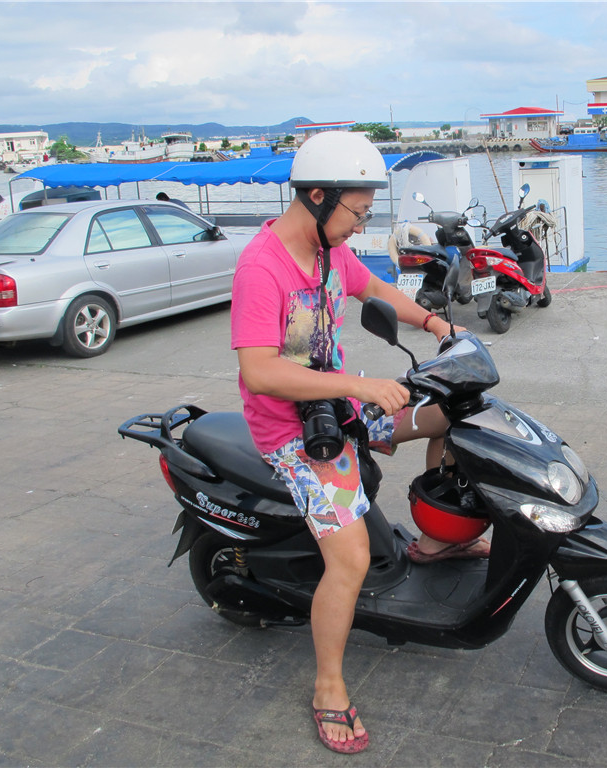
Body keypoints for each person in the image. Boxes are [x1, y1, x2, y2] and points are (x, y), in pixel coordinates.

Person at [229, 131, 488, 754]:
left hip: (342, 408)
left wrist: (435, 324)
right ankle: (328, 686)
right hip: (293, 432)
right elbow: (259, 371)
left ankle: (434, 541)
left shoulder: (330, 252)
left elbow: (376, 290)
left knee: (450, 417)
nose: (361, 225)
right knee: (348, 559)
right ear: (318, 197)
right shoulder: (262, 268)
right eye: (359, 211)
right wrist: (359, 385)